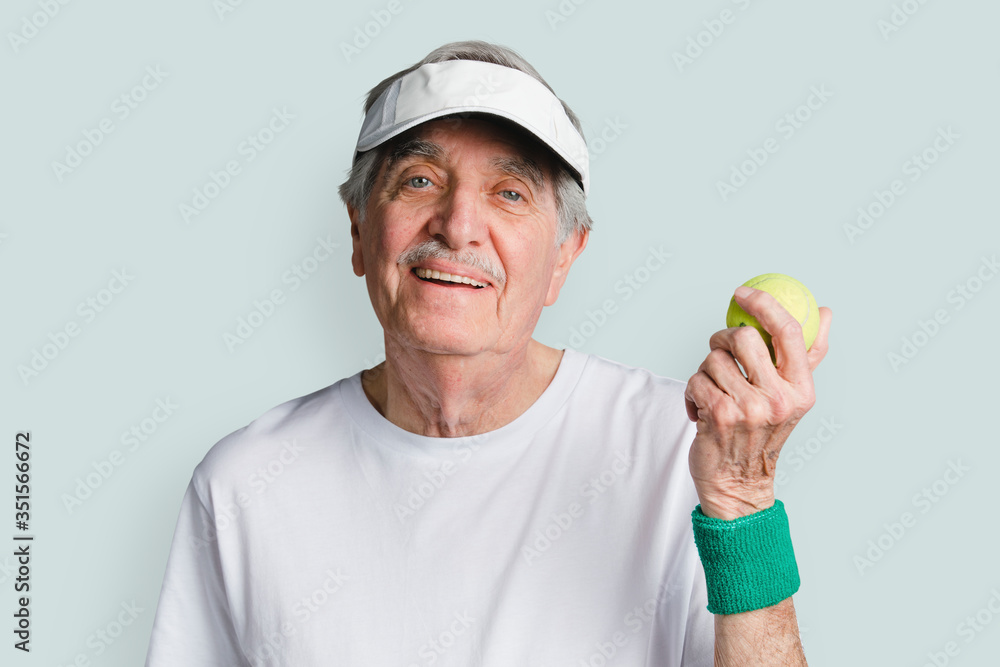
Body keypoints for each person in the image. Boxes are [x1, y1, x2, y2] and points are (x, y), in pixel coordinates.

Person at [145, 40, 832, 666]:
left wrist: (741, 504)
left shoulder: (679, 448)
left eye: (509, 193)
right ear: (358, 229)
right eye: (418, 179)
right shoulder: (244, 485)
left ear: (565, 256)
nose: (459, 225)